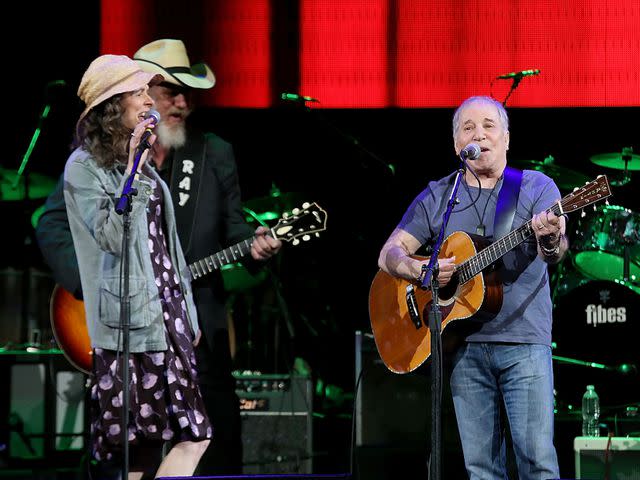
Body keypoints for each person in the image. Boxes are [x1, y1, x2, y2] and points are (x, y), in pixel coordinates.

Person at [36, 39, 282, 475]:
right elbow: (76, 230)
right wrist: (90, 287)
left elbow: (211, 233)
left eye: (185, 93)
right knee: (142, 443)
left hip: (183, 315)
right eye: (165, 90)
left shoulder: (209, 152)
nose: (177, 102)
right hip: (128, 319)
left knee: (204, 433)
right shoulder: (97, 164)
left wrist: (253, 249)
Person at [377, 95, 567, 479]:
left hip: (523, 343)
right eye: (468, 127)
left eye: (489, 126)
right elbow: (389, 255)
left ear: (507, 139)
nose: (479, 133)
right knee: (480, 469)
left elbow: (556, 253)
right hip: (462, 348)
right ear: (456, 145)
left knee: (536, 463)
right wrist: (419, 271)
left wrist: (548, 238)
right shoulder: (440, 194)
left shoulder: (535, 186)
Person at [62, 53, 211, 478]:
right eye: (139, 92)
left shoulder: (145, 169)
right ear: (114, 105)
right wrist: (132, 170)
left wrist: (187, 312)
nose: (149, 100)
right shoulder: (84, 168)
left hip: (169, 315)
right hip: (129, 323)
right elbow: (111, 237)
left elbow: (168, 251)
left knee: (191, 435)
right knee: (142, 447)